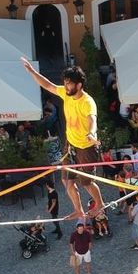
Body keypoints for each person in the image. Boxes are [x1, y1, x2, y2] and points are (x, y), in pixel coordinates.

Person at [23, 61, 106, 219]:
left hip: (86, 147)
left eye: (69, 84)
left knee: (86, 183)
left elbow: (92, 119)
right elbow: (48, 85)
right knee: (66, 180)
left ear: (79, 85)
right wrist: (33, 72)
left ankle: (100, 203)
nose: (66, 86)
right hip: (71, 144)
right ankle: (78, 210)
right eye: (65, 83)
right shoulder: (66, 95)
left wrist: (92, 133)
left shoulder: (87, 102)